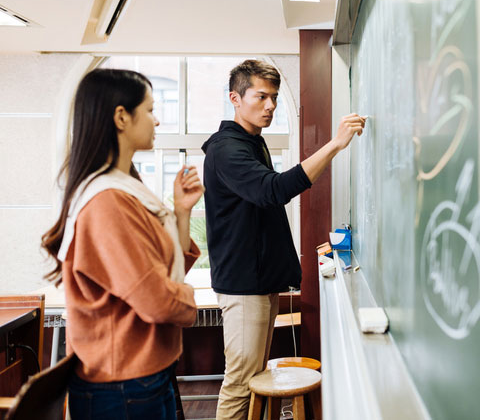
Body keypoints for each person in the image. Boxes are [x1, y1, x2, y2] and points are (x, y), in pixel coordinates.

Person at [202, 59, 365, 419]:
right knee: (240, 383)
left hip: (258, 283)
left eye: (274, 97)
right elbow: (272, 191)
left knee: (253, 379)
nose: (270, 106)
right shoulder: (227, 149)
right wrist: (336, 145)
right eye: (261, 97)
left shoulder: (250, 142)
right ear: (235, 98)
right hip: (244, 286)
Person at [41, 68, 204, 419]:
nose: (157, 121)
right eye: (149, 109)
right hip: (122, 385)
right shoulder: (108, 201)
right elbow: (157, 299)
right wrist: (189, 299)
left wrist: (180, 211)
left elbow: (159, 269)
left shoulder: (126, 187)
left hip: (138, 377)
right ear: (121, 117)